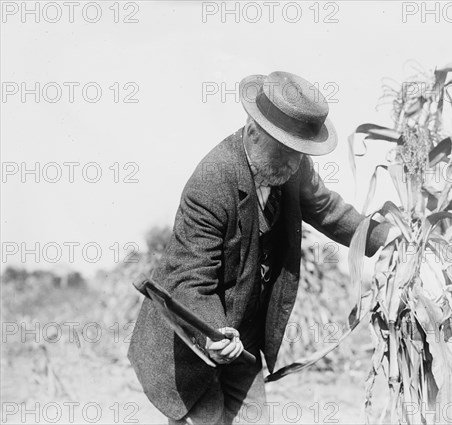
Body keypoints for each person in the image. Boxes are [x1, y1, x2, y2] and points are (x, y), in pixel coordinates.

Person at [127, 71, 393, 424]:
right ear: (254, 131)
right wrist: (215, 334)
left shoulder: (291, 165)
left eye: (302, 153)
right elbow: (192, 280)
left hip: (244, 345)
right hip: (191, 342)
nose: (295, 164)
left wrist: (386, 236)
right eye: (286, 152)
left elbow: (328, 209)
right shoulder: (212, 181)